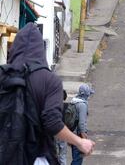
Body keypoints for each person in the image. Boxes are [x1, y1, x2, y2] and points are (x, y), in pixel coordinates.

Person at [1, 23, 95, 165]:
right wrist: (80, 142)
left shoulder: (3, 75)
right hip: (36, 157)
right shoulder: (49, 80)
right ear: (41, 49)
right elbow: (52, 122)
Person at [71, 84, 95, 165]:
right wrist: (84, 139)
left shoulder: (73, 101)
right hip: (78, 135)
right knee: (77, 159)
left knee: (75, 157)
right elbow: (82, 124)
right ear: (86, 94)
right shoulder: (82, 105)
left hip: (72, 133)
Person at [56, 90, 69, 165]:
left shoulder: (52, 107)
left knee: (54, 154)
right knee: (63, 155)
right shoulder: (67, 106)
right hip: (64, 132)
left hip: (54, 132)